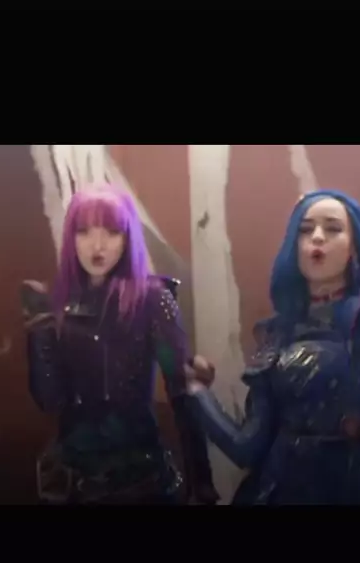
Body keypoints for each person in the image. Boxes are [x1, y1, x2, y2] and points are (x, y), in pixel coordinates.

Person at [186, 189, 360, 505]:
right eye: (305, 229)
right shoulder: (279, 332)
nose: (317, 237)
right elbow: (247, 448)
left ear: (355, 244)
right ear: (293, 245)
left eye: (333, 228)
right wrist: (197, 393)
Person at [22, 185, 217, 505]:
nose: (97, 245)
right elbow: (50, 401)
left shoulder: (152, 299)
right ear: (71, 238)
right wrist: (39, 330)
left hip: (140, 474)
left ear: (128, 239)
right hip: (75, 476)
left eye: (112, 232)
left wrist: (201, 485)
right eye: (84, 231)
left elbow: (183, 394)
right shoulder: (58, 303)